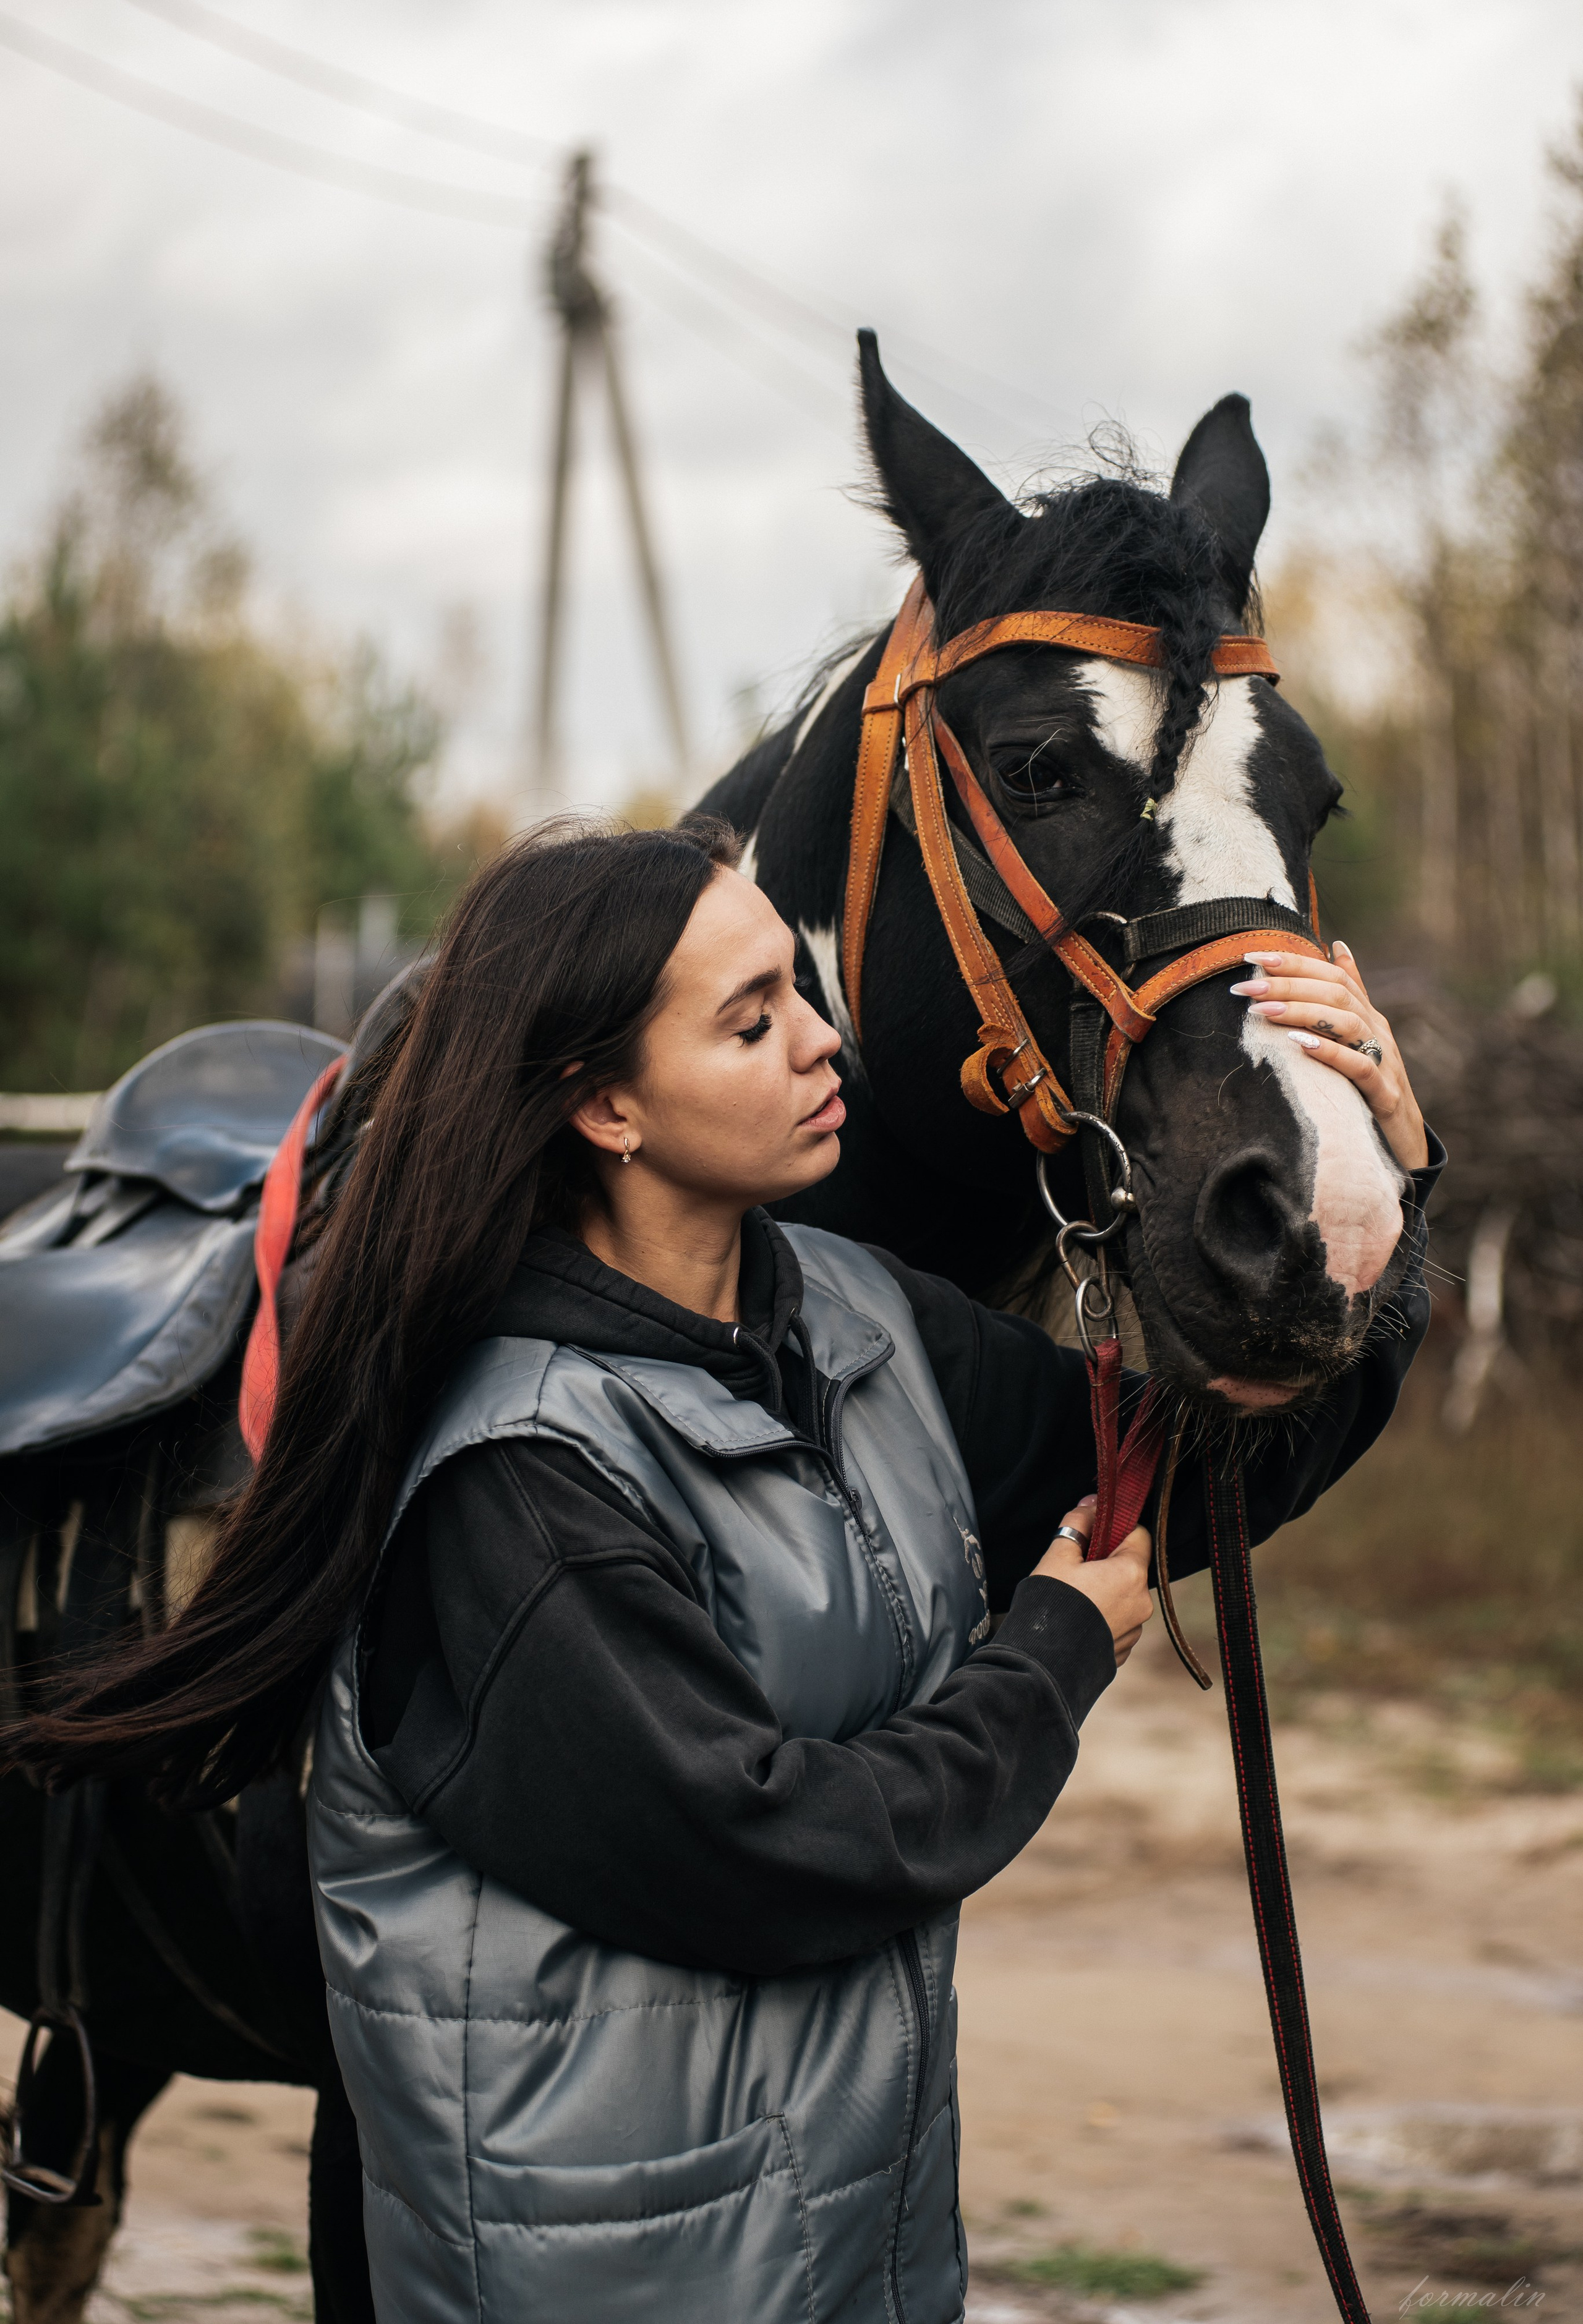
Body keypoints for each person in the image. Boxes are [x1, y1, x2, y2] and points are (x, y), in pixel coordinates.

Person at [7, 817, 1438, 2324]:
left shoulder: (854, 1317)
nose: (826, 1046)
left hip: (836, 2262)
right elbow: (766, 1852)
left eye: (801, 994)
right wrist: (1048, 1657)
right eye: (753, 1022)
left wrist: (1383, 1193)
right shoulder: (516, 1481)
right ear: (608, 1108)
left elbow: (1198, 1471)